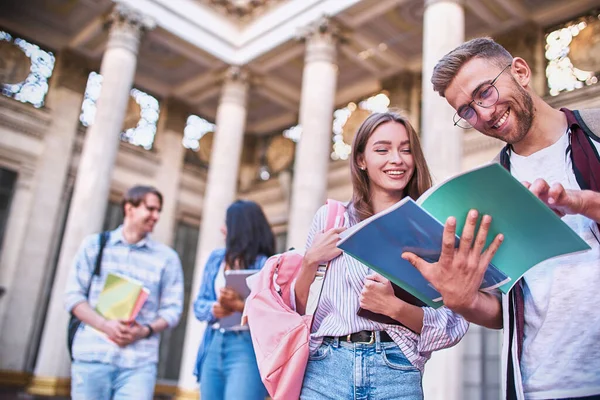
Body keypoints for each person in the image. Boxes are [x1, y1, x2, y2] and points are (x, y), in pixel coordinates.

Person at [403, 37, 600, 400]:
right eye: (466, 111)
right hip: (542, 386)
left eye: (485, 92)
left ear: (521, 72)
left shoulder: (596, 133)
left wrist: (586, 204)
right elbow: (504, 310)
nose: (484, 114)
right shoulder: (488, 188)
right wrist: (463, 301)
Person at [294, 111, 471, 400]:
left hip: (395, 370)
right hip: (324, 369)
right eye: (382, 149)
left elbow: (452, 325)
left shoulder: (431, 229)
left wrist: (393, 307)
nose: (397, 159)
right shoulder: (331, 219)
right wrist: (309, 262)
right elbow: (299, 309)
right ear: (361, 160)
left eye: (406, 149)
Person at [64, 185, 184, 400]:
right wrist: (105, 326)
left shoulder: (167, 258)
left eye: (159, 211)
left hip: (139, 363)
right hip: (92, 356)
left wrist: (144, 330)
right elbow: (73, 297)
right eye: (150, 209)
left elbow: (173, 309)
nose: (156, 216)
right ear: (130, 208)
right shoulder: (94, 245)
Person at [193, 200, 275, 400]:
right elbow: (198, 305)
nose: (223, 229)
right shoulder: (216, 258)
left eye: (227, 224)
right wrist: (215, 309)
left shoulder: (267, 264)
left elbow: (274, 315)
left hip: (247, 346)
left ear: (240, 228)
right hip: (214, 341)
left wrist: (240, 306)